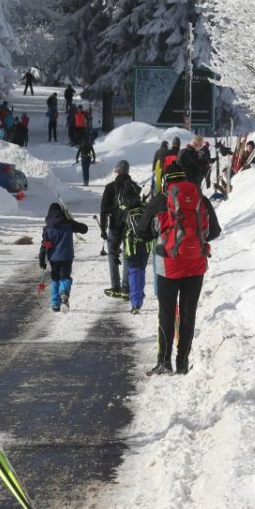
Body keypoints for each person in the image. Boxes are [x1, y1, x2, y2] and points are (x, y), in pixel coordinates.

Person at [135, 163, 222, 376]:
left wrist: (162, 235)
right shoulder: (199, 198)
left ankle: (164, 362)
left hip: (169, 264)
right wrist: (195, 240)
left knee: (166, 311)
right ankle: (182, 363)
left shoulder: (161, 200)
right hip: (196, 264)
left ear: (166, 179)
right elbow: (215, 230)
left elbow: (142, 232)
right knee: (188, 312)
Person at [38, 202, 88, 312]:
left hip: (53, 258)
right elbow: (84, 229)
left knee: (55, 279)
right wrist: (73, 221)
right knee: (65, 277)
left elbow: (45, 245)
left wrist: (42, 260)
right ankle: (64, 292)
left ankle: (55, 304)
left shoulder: (47, 228)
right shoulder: (68, 223)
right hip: (66, 256)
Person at [99, 160, 135, 299]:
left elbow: (103, 211)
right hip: (130, 227)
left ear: (117, 171)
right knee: (127, 256)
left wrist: (103, 229)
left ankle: (116, 287)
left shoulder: (110, 187)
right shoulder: (134, 187)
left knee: (112, 254)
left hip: (114, 226)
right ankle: (126, 289)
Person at [120, 181, 152, 314]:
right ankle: (137, 298)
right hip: (145, 245)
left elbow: (118, 231)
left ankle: (136, 302)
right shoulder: (144, 207)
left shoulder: (125, 210)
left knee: (134, 272)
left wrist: (115, 249)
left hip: (131, 247)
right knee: (140, 272)